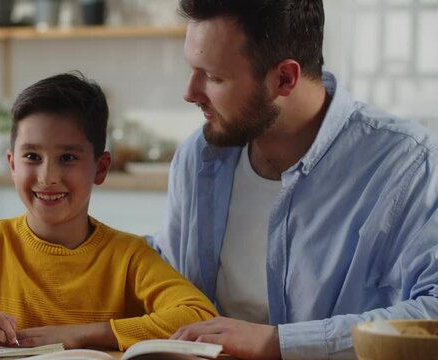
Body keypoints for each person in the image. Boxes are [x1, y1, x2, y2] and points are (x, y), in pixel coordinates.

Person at [148, 1, 438, 359]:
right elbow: (168, 279)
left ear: (285, 78)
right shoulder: (199, 157)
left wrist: (276, 343)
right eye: (193, 70)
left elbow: (433, 313)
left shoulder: (410, 164)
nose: (190, 92)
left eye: (214, 77)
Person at [0, 72, 217, 351]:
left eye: (68, 157)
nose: (48, 177)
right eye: (32, 157)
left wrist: (80, 335)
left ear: (100, 167)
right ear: (11, 164)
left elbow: (198, 316)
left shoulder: (128, 257)